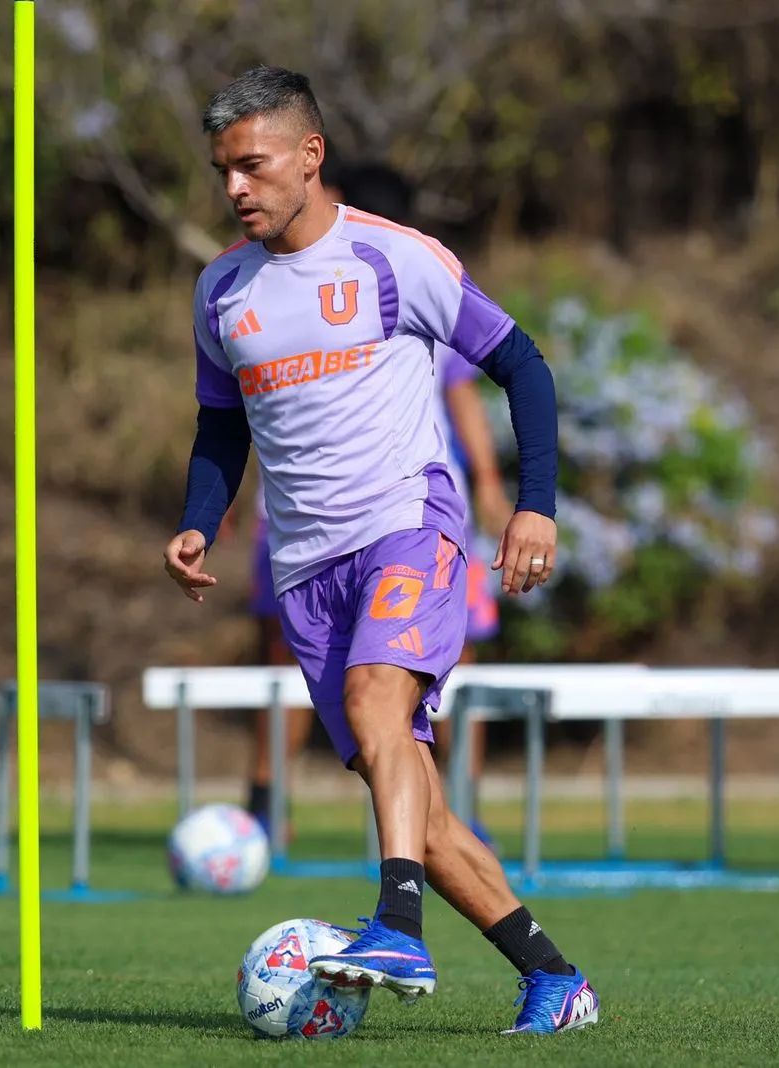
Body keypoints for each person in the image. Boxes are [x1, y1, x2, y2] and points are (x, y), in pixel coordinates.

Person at [163, 66, 598, 1034]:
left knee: (376, 702)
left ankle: (396, 921)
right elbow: (219, 426)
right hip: (306, 571)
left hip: (410, 526)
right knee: (420, 806)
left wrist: (534, 508)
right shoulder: (220, 294)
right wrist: (201, 515)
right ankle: (556, 980)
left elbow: (521, 364)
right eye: (221, 171)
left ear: (309, 157)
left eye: (252, 166)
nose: (234, 189)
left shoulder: (398, 260)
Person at [238, 160, 512, 853]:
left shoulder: (405, 280)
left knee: (451, 663)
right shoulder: (264, 288)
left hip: (417, 515)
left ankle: (456, 812)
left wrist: (487, 484)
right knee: (290, 664)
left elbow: (464, 392)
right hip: (306, 523)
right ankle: (267, 806)